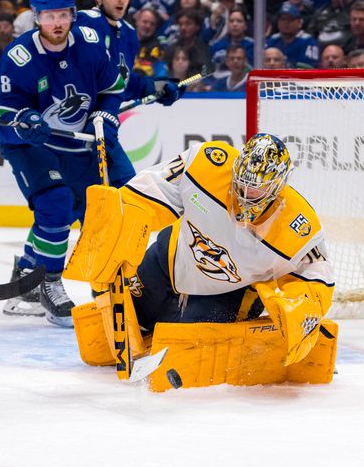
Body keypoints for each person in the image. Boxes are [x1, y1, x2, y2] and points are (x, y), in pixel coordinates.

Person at [65, 134, 336, 385]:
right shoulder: (206, 164)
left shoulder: (299, 226)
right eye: (241, 182)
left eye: (255, 189)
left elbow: (315, 277)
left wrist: (298, 309)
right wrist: (115, 227)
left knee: (184, 349)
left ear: (278, 185)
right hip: (170, 261)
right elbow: (148, 191)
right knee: (115, 317)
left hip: (227, 291)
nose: (244, 194)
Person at [0, 0, 126, 326]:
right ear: (36, 18)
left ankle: (27, 272)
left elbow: (112, 89)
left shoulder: (92, 45)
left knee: (90, 213)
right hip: (31, 146)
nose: (57, 22)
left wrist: (106, 113)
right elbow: (0, 117)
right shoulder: (18, 57)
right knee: (55, 205)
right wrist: (23, 119)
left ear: (73, 15)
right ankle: (50, 282)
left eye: (63, 14)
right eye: (49, 16)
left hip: (77, 145)